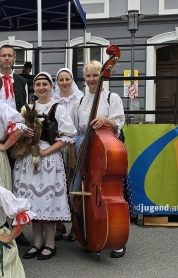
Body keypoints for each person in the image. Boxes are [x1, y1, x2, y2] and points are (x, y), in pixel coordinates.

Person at [14, 72, 77, 261]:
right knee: (33, 201)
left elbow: (69, 135)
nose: (41, 87)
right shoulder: (27, 108)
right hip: (28, 157)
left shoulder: (58, 108)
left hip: (48, 159)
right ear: (34, 88)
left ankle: (50, 244)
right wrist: (24, 134)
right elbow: (16, 131)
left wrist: (46, 152)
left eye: (44, 84)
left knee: (46, 201)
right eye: (38, 84)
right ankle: (37, 243)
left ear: (51, 86)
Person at [68, 61, 127, 257]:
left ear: (102, 76)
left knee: (109, 193)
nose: (92, 79)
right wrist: (75, 156)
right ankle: (90, 234)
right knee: (82, 192)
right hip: (84, 147)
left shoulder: (112, 97)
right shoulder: (81, 101)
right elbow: (77, 131)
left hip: (105, 149)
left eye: (95, 75)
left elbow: (118, 123)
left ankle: (116, 239)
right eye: (88, 76)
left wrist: (106, 121)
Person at [52, 68, 84, 242]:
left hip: (73, 145)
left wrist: (73, 152)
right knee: (57, 186)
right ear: (57, 82)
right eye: (61, 79)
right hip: (57, 145)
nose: (64, 82)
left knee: (73, 185)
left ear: (72, 80)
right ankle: (58, 225)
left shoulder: (79, 100)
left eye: (67, 79)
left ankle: (74, 226)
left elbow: (78, 126)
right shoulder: (54, 100)